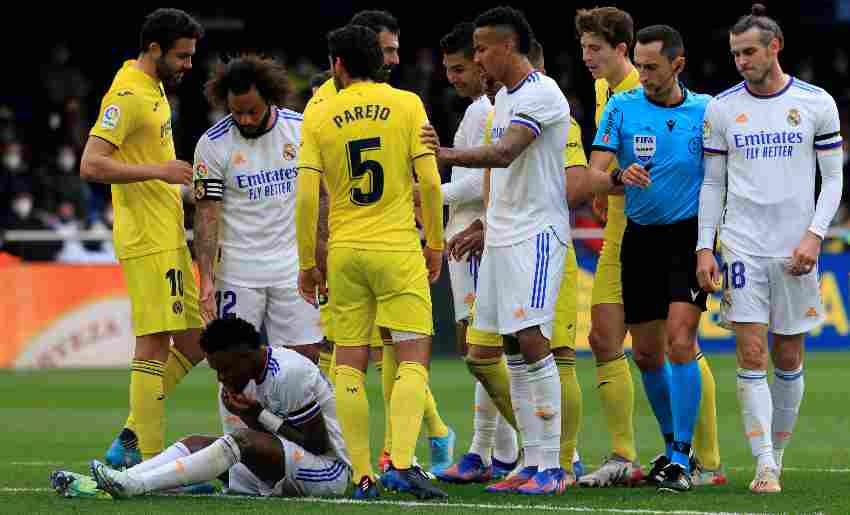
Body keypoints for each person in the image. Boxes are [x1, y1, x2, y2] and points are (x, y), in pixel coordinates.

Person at [574, 7, 725, 489]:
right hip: (639, 238)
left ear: (678, 65)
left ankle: (685, 456)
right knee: (645, 354)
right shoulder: (622, 106)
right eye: (640, 64)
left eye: (653, 66)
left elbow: (725, 178)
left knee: (682, 341)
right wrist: (617, 177)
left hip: (688, 238)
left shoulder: (706, 112)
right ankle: (670, 448)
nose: (644, 74)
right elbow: (595, 172)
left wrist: (716, 243)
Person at [697, 4, 843, 494]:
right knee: (752, 350)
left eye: (750, 51)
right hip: (741, 246)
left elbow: (834, 178)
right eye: (736, 53)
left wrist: (814, 235)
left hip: (795, 250)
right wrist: (705, 247)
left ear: (775, 47)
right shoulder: (721, 108)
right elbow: (712, 184)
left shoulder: (816, 102)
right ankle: (764, 463)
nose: (741, 61)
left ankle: (776, 453)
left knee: (787, 355)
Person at [296, 25, 446, 500]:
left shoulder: (319, 115)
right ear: (379, 62)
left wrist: (307, 261)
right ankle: (400, 462)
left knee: (349, 363)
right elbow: (430, 182)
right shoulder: (407, 105)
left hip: (345, 251)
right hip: (397, 247)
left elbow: (305, 197)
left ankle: (361, 475)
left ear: (338, 66)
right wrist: (435, 242)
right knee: (411, 357)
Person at [79, 8, 205, 468]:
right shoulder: (127, 94)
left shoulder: (153, 89)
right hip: (147, 237)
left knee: (194, 344)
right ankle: (150, 459)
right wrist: (161, 172)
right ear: (154, 49)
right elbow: (91, 164)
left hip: (168, 234)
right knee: (153, 341)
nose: (189, 65)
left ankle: (133, 435)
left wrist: (183, 190)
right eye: (182, 56)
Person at [192, 54, 324, 435]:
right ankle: (239, 451)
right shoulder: (213, 144)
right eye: (236, 113)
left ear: (269, 97)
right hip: (239, 272)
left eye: (250, 111)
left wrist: (321, 255)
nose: (244, 120)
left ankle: (301, 447)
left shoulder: (301, 131)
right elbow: (206, 215)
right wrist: (206, 279)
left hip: (292, 268)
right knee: (232, 366)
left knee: (304, 360)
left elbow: (322, 197)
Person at [80, 317, 350, 499]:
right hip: (285, 466)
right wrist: (250, 416)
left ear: (246, 356)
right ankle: (113, 481)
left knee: (238, 440)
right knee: (195, 443)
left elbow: (315, 444)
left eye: (225, 369)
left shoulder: (289, 372)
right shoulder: (236, 383)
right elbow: (247, 446)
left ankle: (137, 485)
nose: (221, 378)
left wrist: (259, 416)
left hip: (327, 472)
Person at [430, 22, 519, 485]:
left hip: (478, 234)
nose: (454, 76)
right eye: (448, 69)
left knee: (487, 347)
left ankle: (500, 452)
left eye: (461, 66)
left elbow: (479, 178)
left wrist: (429, 194)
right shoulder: (478, 110)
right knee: (477, 347)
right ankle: (484, 451)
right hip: (465, 235)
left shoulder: (490, 109)